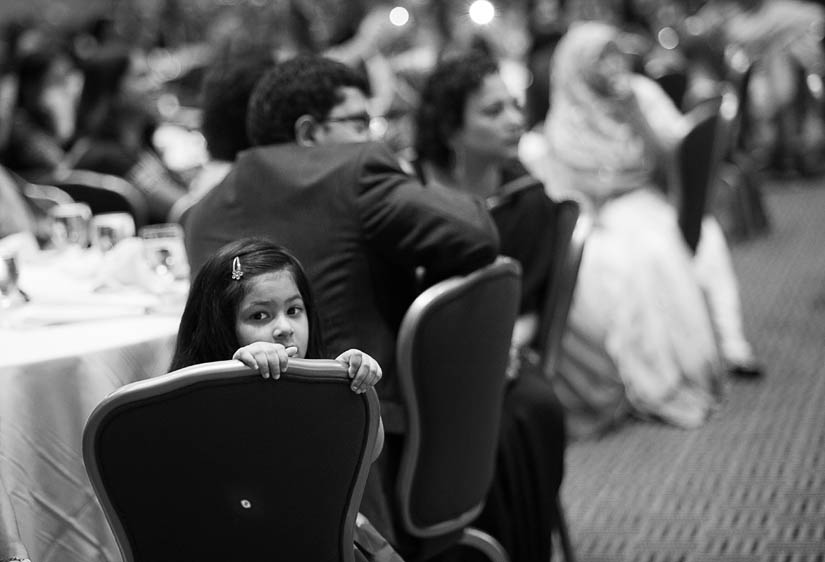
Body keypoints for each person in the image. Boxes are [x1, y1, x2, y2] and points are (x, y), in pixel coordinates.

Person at [183, 54, 500, 542]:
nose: (370, 135)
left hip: (229, 454)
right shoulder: (355, 169)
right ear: (309, 132)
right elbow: (476, 233)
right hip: (357, 425)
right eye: (359, 122)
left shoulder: (201, 212)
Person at [524, 20, 759, 437]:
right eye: (601, 58)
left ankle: (695, 358)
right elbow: (564, 183)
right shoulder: (568, 109)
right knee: (597, 265)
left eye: (615, 54)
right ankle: (619, 378)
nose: (612, 65)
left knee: (652, 252)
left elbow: (678, 160)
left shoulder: (640, 93)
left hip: (641, 197)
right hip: (594, 213)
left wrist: (636, 113)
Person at [414, 49, 565, 562]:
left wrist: (495, 351)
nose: (515, 120)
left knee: (530, 411)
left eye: (514, 105)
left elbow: (529, 307)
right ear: (451, 127)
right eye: (493, 111)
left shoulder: (528, 199)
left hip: (500, 351)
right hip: (412, 356)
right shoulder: (405, 189)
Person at [168, 237, 402, 562]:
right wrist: (233, 376)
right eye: (259, 317)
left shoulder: (319, 390)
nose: (283, 328)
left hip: (320, 543)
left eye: (294, 310)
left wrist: (354, 391)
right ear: (220, 329)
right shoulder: (198, 402)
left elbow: (368, 451)